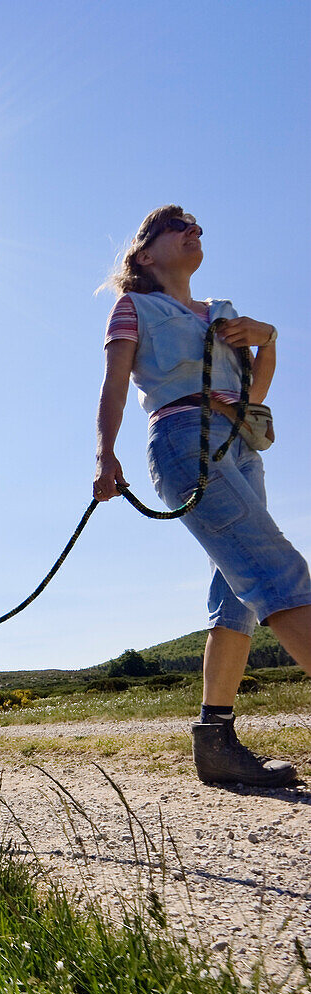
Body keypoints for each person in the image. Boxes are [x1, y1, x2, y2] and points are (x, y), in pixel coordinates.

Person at [94, 204, 311, 787]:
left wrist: (267, 341)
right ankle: (215, 741)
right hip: (182, 438)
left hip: (239, 443)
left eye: (196, 223)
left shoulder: (225, 313)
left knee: (239, 588)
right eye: (177, 225)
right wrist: (105, 454)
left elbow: (254, 393)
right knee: (278, 571)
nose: (195, 228)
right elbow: (115, 384)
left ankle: (214, 743)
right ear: (145, 254)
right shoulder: (134, 307)